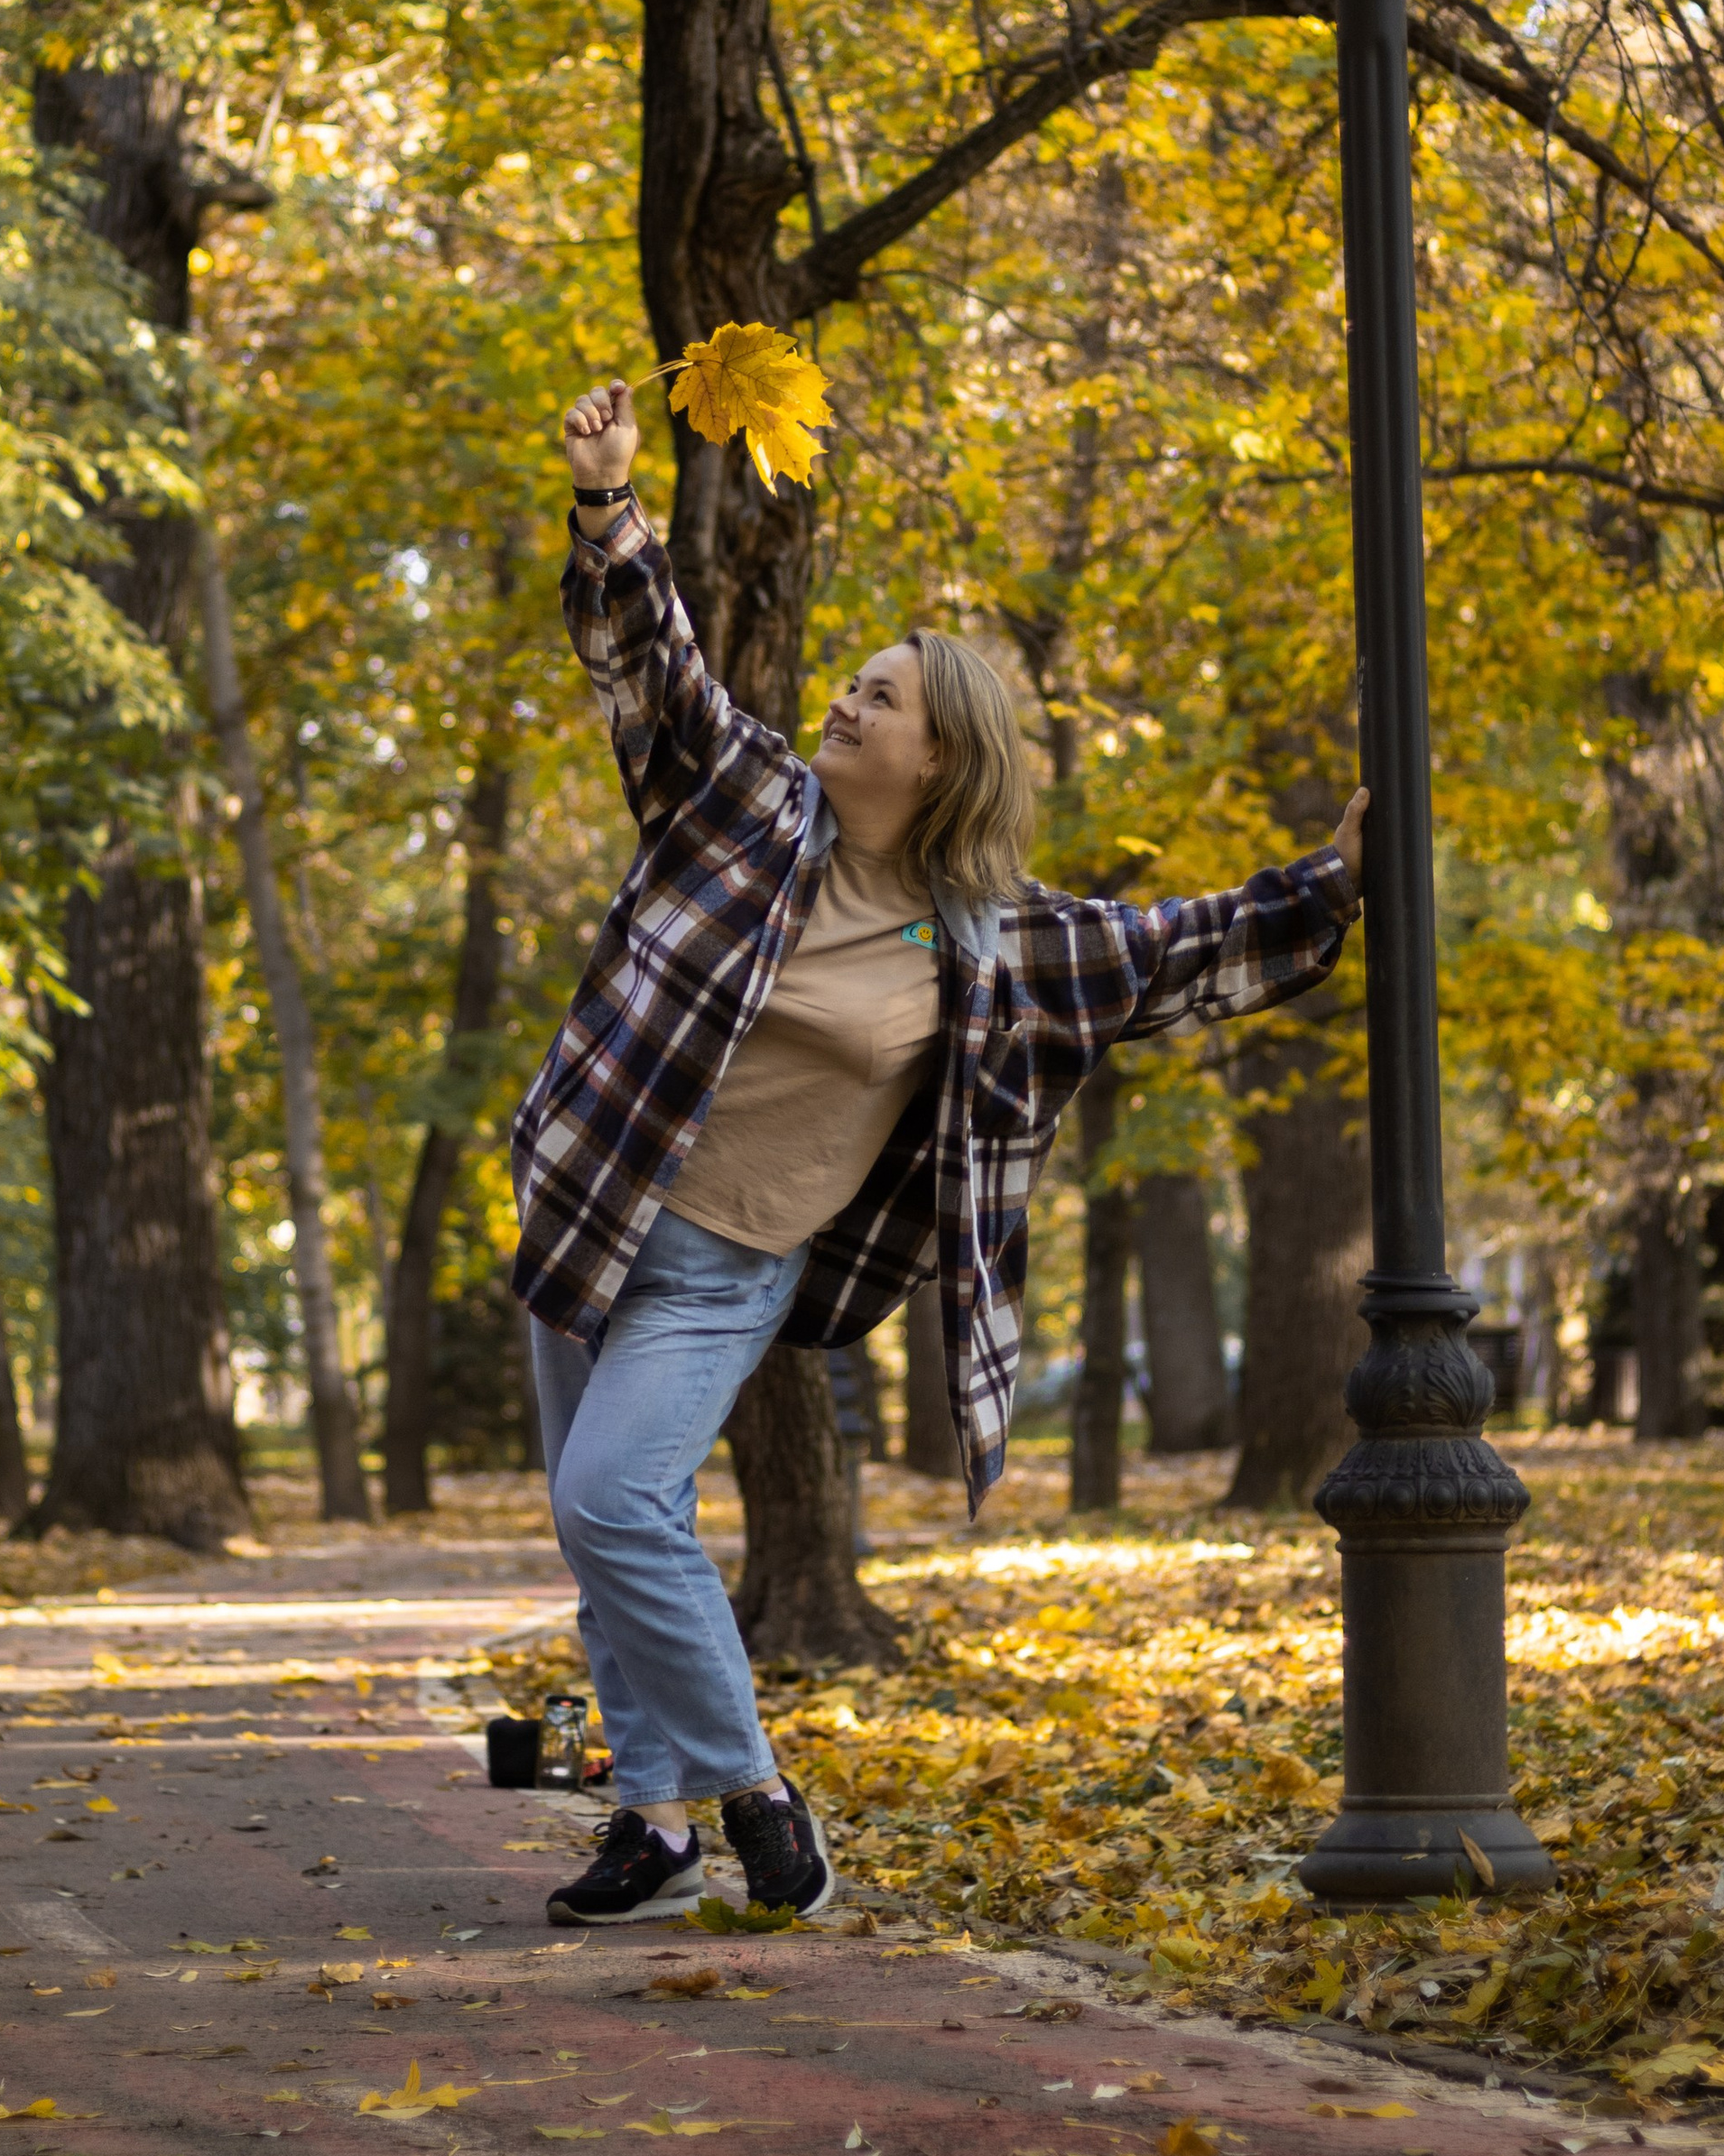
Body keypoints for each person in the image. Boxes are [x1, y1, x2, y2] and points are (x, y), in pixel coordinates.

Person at [513, 376, 1367, 1928]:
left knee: (612, 1504)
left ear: (944, 761)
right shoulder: (743, 805)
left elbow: (1179, 949)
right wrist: (609, 504)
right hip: (592, 1208)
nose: (846, 703)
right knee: (610, 1531)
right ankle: (653, 1823)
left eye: (883, 698)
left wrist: (1337, 882)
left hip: (722, 1271)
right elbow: (657, 670)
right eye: (853, 683)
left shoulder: (997, 946)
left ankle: (754, 1796)